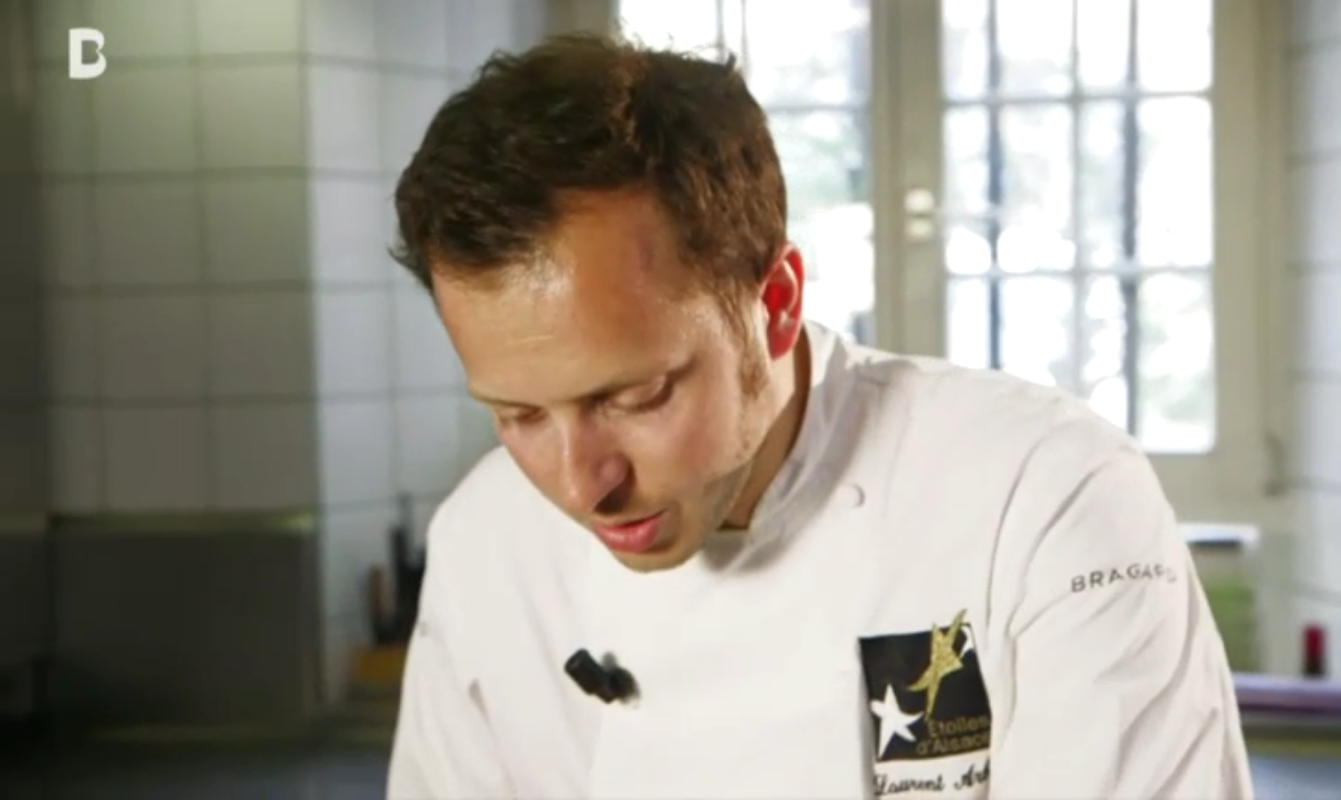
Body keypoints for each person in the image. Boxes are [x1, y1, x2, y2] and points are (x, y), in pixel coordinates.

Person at [385, 33, 1254, 800]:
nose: (584, 484)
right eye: (519, 415)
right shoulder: (484, 545)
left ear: (776, 304)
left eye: (636, 397)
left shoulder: (1039, 500)